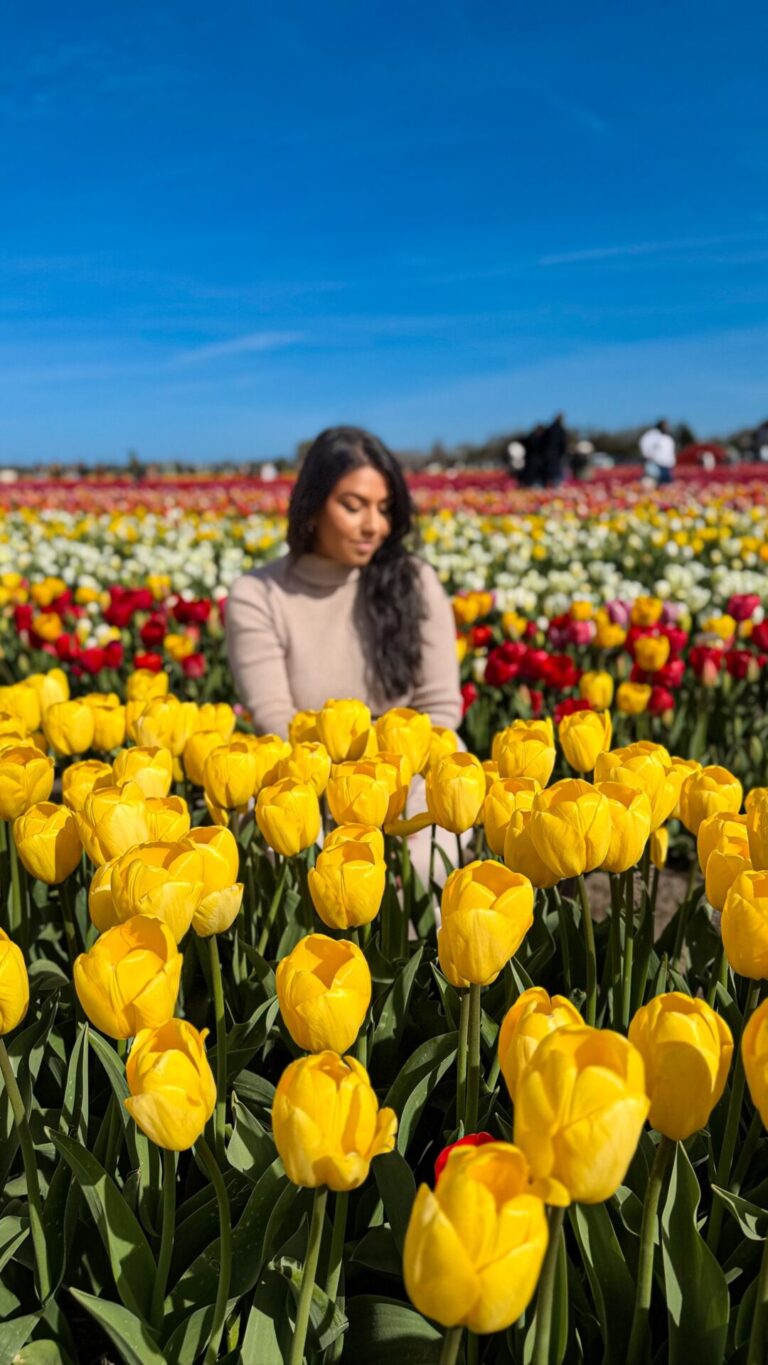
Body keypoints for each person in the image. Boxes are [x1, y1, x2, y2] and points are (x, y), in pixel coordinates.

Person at [225, 426, 464, 885]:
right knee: (307, 865)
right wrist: (344, 797)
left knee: (422, 865)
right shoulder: (259, 594)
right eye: (353, 507)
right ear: (312, 507)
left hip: (413, 771)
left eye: (384, 509)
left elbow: (439, 710)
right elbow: (275, 717)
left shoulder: (413, 581)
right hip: (305, 777)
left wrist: (390, 793)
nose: (373, 526)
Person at [639, 419, 676, 485]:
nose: (667, 427)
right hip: (657, 462)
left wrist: (672, 461)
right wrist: (648, 456)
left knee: (666, 481)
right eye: (665, 426)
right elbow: (646, 445)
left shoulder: (668, 438)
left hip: (667, 463)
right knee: (656, 480)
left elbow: (670, 452)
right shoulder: (653, 435)